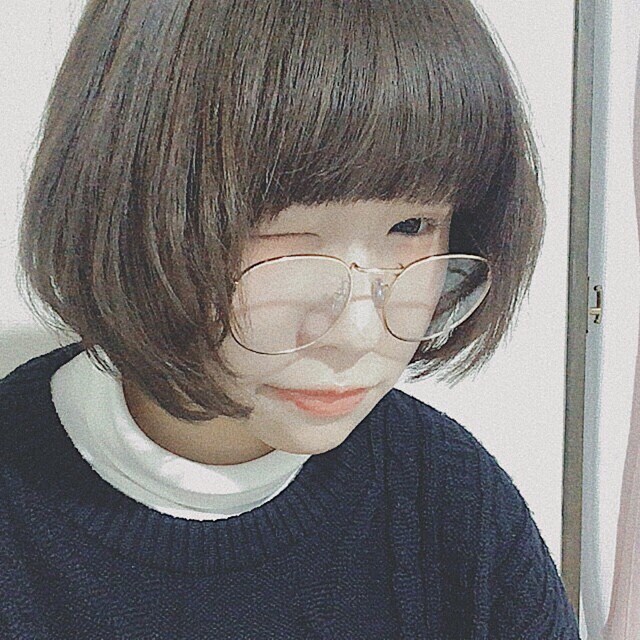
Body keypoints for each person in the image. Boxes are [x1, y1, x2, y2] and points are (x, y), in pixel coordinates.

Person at [0, 0, 581, 638]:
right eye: (281, 232)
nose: (358, 334)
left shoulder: (450, 502)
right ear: (124, 208)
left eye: (411, 226)